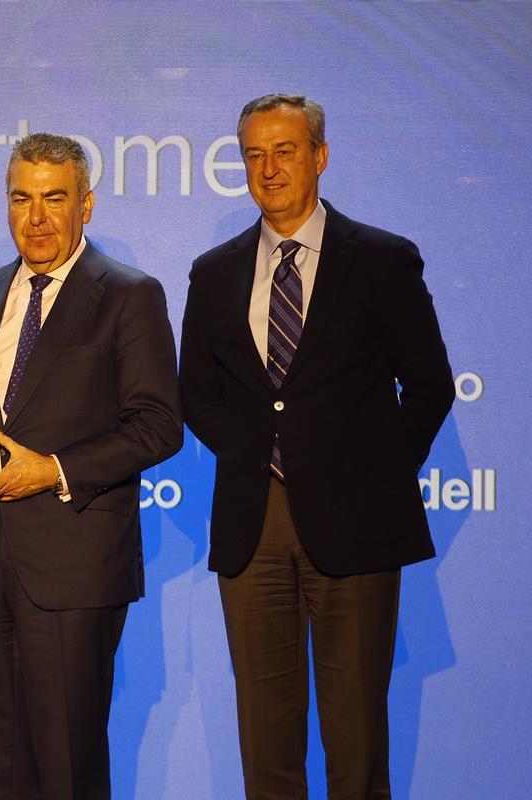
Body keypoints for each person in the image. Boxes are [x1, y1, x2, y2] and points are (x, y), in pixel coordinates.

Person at [179, 94, 455, 798]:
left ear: (319, 157)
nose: (268, 169)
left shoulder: (384, 261)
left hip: (358, 524)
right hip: (252, 524)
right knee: (265, 741)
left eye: (285, 151)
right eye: (254, 154)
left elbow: (428, 388)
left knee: (356, 740)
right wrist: (254, 450)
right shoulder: (213, 272)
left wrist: (373, 476)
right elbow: (196, 395)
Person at [0, 132, 183, 799]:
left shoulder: (128, 295)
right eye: (21, 198)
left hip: (74, 565)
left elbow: (158, 425)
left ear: (86, 205)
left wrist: (53, 470)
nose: (35, 217)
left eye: (53, 198)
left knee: (67, 769)